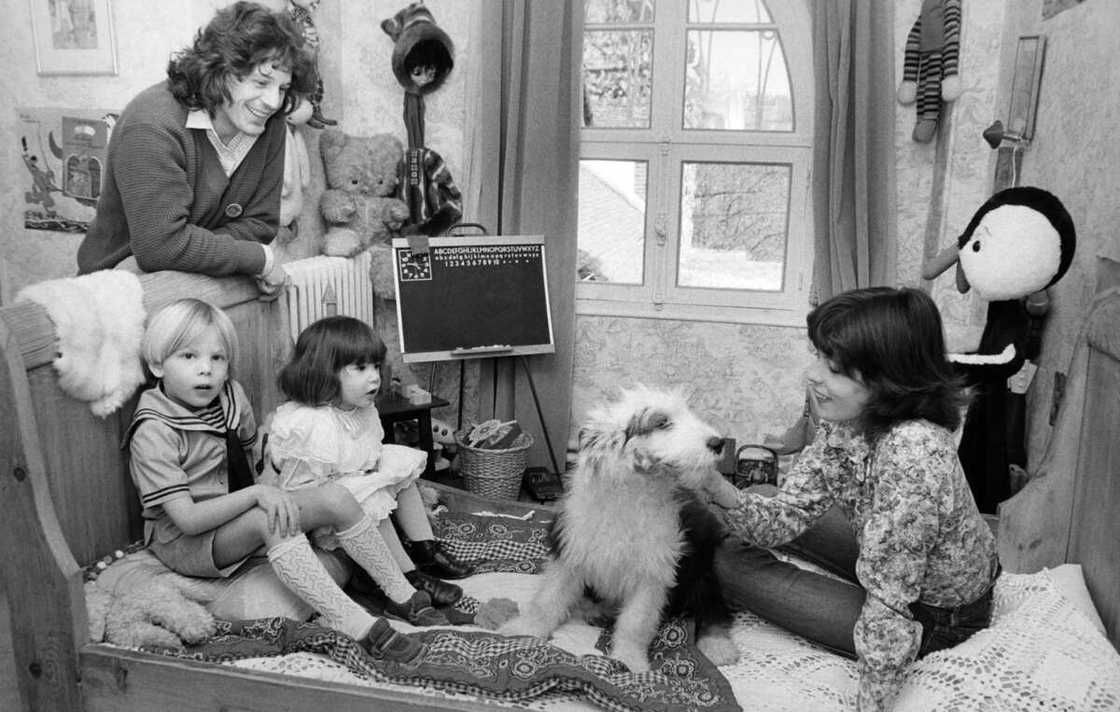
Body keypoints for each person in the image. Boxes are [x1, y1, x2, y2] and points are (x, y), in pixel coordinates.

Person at [711, 287, 999, 712]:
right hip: (899, 564)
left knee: (722, 560)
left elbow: (889, 608)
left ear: (888, 379)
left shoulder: (914, 456)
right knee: (762, 494)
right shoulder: (847, 422)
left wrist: (873, 705)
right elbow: (782, 518)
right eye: (818, 357)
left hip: (935, 617)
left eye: (836, 368)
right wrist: (711, 485)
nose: (813, 375)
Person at [126, 298, 423, 661]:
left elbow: (257, 463)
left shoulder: (231, 395)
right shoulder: (153, 431)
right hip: (187, 541)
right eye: (188, 357)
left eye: (217, 358)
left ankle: (402, 593)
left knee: (336, 496)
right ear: (157, 364)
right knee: (271, 518)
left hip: (236, 513)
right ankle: (351, 620)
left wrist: (272, 483)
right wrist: (259, 494)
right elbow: (187, 520)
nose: (206, 370)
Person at [77, 2, 315, 300]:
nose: (272, 101)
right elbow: (160, 248)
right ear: (220, 69)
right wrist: (258, 259)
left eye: (282, 88)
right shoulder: (151, 123)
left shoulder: (272, 126)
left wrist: (187, 247)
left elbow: (260, 226)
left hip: (200, 288)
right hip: (117, 294)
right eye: (261, 82)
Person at [266, 316, 473, 615]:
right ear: (326, 372)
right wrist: (369, 482)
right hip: (317, 503)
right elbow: (302, 486)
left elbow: (368, 454)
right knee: (371, 494)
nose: (374, 377)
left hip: (348, 483)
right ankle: (404, 576)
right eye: (361, 368)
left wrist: (377, 474)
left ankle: (424, 548)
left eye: (376, 366)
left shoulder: (358, 410)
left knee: (399, 465)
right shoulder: (310, 423)